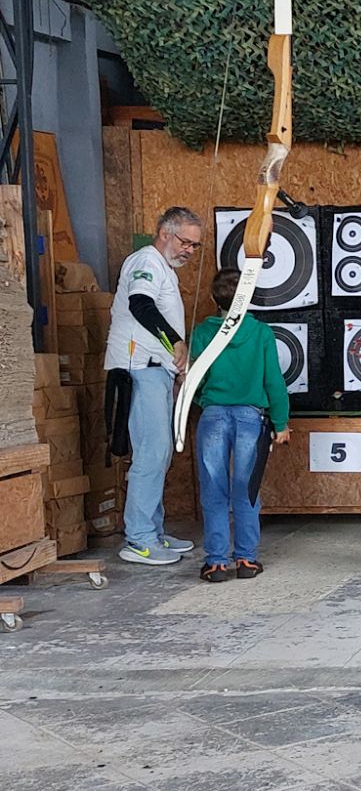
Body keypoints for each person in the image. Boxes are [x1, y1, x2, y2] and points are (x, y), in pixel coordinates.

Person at [106, 206, 204, 566]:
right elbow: (140, 305)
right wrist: (174, 342)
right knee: (151, 451)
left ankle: (153, 531)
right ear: (164, 233)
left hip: (156, 369)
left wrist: (174, 363)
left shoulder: (164, 268)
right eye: (185, 242)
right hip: (139, 368)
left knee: (160, 452)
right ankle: (139, 540)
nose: (189, 251)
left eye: (195, 246)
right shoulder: (145, 261)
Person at [186, 270, 290, 582]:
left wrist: (204, 399)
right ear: (249, 297)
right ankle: (246, 559)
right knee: (247, 488)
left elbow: (195, 379)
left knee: (213, 488)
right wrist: (281, 423)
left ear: (213, 298)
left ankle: (216, 562)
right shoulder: (260, 333)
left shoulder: (203, 333)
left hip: (213, 415)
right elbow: (274, 381)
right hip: (250, 418)